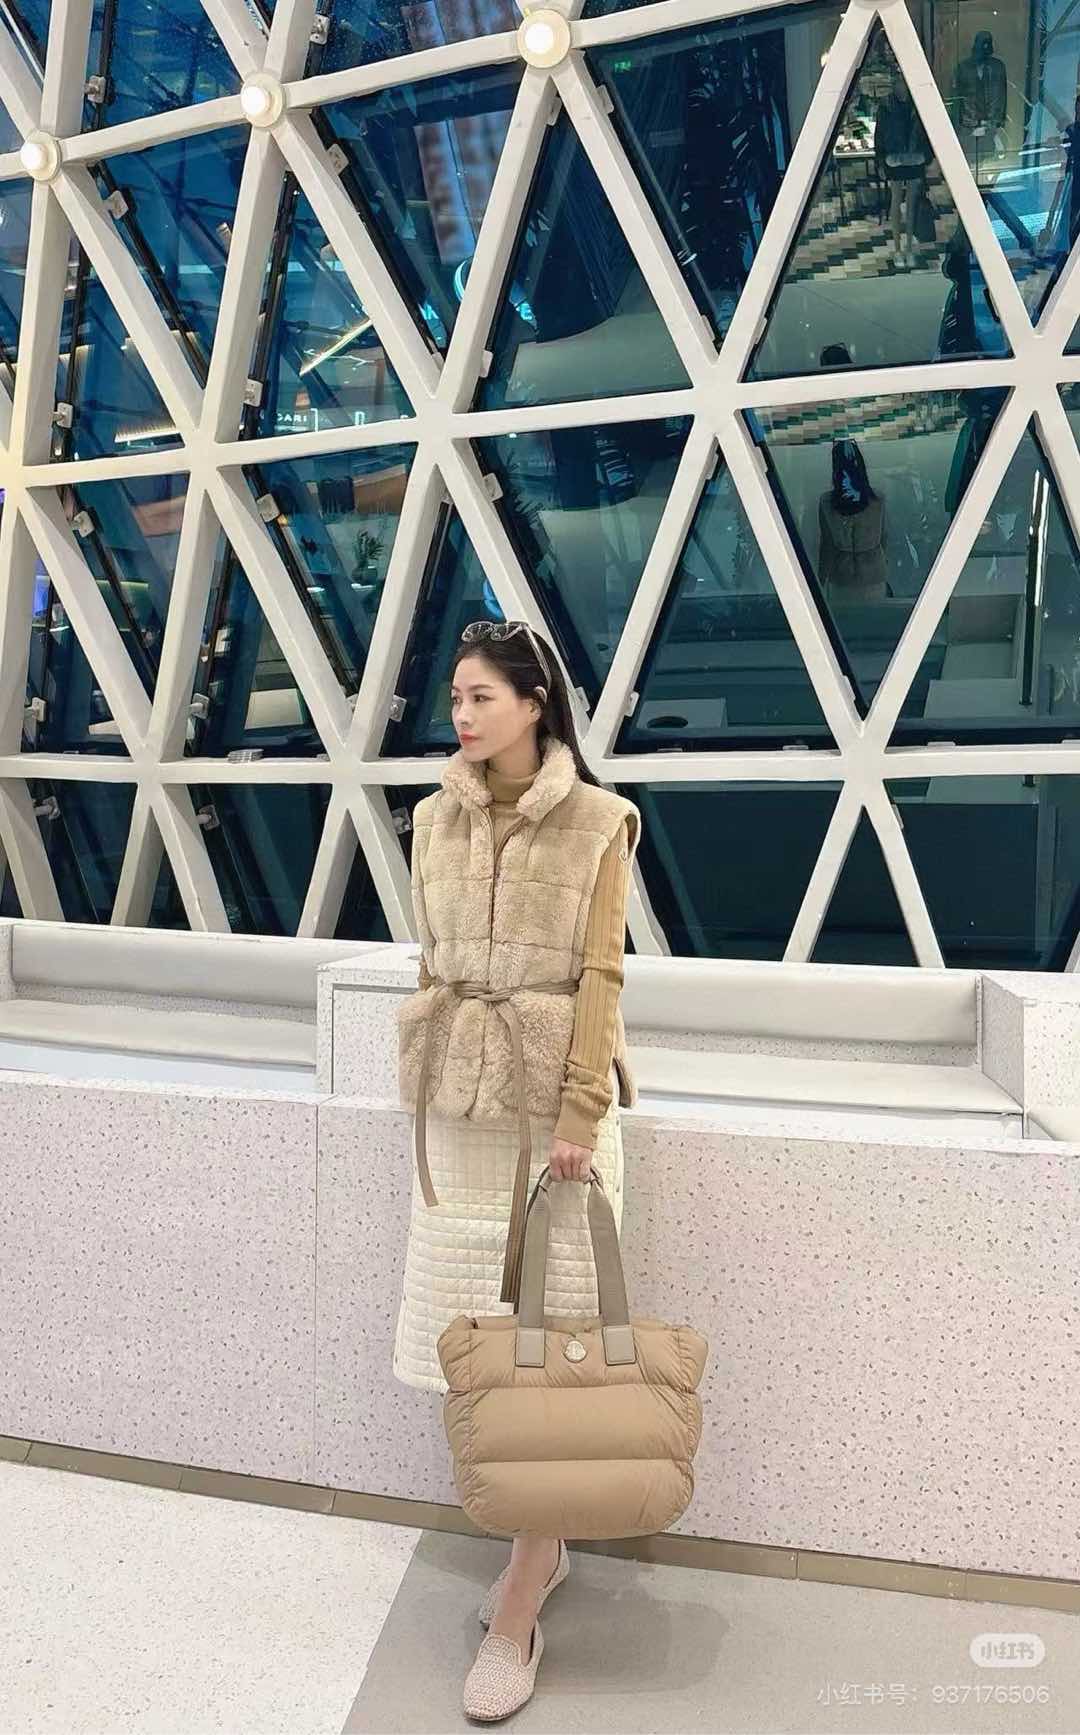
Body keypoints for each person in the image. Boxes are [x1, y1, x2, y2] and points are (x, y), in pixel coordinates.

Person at [393, 616, 641, 1721]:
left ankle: (522, 1600)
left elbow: (604, 975)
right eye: (455, 698)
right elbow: (429, 955)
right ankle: (542, 1542)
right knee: (475, 1345)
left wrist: (581, 1108)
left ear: (536, 704)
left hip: (556, 1117)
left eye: (482, 696)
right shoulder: (431, 818)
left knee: (554, 1348)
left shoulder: (598, 822)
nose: (462, 714)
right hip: (460, 1104)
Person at [874, 67, 932, 269]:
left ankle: (908, 248)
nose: (902, 86)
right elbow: (879, 135)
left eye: (904, 83)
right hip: (896, 158)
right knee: (896, 202)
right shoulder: (886, 106)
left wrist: (927, 156)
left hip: (914, 157)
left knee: (912, 204)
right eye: (899, 83)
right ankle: (898, 248)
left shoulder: (918, 104)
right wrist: (881, 161)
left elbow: (927, 132)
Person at [818, 438, 888, 599]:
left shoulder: (826, 502)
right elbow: (884, 538)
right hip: (874, 574)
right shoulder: (878, 499)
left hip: (841, 576)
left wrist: (820, 580)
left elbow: (827, 546)